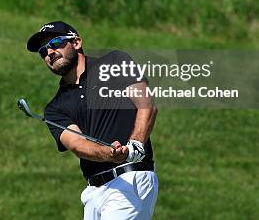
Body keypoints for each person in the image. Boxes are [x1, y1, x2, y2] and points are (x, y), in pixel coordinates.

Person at [26, 21, 159, 219]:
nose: (49, 52)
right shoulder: (55, 108)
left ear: (77, 42)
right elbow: (77, 143)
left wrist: (135, 145)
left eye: (55, 42)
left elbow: (146, 104)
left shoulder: (114, 62)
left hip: (130, 179)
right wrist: (108, 154)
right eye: (43, 51)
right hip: (93, 193)